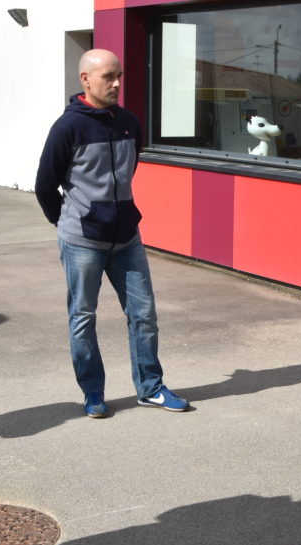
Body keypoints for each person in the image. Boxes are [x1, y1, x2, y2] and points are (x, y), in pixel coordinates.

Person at [35, 48, 187, 418]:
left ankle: (150, 388)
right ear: (85, 79)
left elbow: (128, 172)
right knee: (83, 316)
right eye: (108, 77)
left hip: (127, 238)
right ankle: (93, 393)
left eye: (119, 76)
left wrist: (116, 215)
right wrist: (68, 221)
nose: (117, 83)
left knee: (144, 313)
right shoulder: (67, 128)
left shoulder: (129, 123)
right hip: (82, 240)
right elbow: (45, 185)